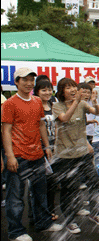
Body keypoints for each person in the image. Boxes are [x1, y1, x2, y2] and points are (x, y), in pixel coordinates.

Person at [2, 68, 63, 241]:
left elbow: (41, 125)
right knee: (15, 197)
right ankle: (15, 231)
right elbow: (5, 130)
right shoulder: (10, 104)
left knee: (40, 192)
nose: (29, 83)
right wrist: (10, 156)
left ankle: (43, 223)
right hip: (18, 155)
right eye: (24, 80)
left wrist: (47, 147)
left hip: (37, 154)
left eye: (31, 80)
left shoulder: (37, 101)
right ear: (16, 82)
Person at [52, 77, 99, 234]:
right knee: (70, 188)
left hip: (82, 153)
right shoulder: (57, 106)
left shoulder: (82, 104)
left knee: (94, 182)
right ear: (62, 91)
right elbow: (64, 118)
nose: (72, 89)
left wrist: (95, 101)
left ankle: (95, 213)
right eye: (68, 87)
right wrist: (75, 102)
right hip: (65, 155)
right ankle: (70, 221)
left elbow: (97, 112)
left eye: (73, 86)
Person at [33, 79, 58, 221]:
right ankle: (38, 215)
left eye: (49, 89)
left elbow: (57, 126)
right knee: (40, 184)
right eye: (44, 90)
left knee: (52, 181)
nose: (47, 92)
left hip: (54, 147)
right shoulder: (35, 105)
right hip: (41, 148)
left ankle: (50, 211)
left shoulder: (53, 105)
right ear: (37, 91)